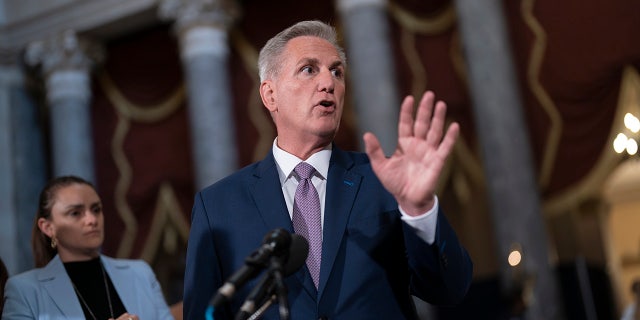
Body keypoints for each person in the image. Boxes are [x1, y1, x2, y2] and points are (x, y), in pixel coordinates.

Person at [183, 20, 473, 320]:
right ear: (270, 95)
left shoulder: (385, 181)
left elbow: (449, 290)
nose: (328, 83)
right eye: (308, 69)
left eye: (337, 72)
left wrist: (420, 210)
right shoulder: (217, 207)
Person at [2, 175, 174, 320]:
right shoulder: (24, 289)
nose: (92, 220)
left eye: (96, 209)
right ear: (48, 228)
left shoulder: (139, 273)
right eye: (75, 213)